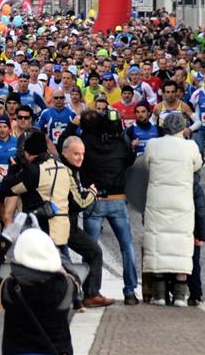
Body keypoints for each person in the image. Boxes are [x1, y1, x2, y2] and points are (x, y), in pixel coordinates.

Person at [0, 217, 77, 355]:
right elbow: (73, 273)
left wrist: (4, 241)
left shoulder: (10, 289)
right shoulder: (66, 288)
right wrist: (47, 244)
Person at [137, 111, 202, 307]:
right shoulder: (191, 146)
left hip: (157, 202)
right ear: (182, 127)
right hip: (182, 203)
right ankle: (180, 296)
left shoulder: (153, 145)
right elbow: (197, 165)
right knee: (181, 247)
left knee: (157, 245)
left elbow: (146, 165)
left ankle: (159, 296)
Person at [75, 109, 140, 305]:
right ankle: (130, 291)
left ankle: (90, 291)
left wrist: (72, 125)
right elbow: (131, 160)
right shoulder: (119, 142)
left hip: (94, 199)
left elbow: (64, 146)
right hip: (118, 198)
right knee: (127, 247)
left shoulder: (84, 143)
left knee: (90, 249)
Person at [59, 136, 112, 308]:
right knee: (93, 252)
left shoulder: (68, 168)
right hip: (64, 226)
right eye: (76, 154)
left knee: (85, 254)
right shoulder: (66, 171)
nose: (80, 158)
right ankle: (89, 294)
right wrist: (92, 193)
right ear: (65, 153)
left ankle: (84, 294)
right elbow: (79, 203)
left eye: (82, 154)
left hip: (64, 224)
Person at [186, 170, 205, 306]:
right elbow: (201, 212)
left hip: (171, 227)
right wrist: (201, 236)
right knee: (193, 262)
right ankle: (195, 294)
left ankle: (168, 292)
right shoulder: (194, 186)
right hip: (191, 230)